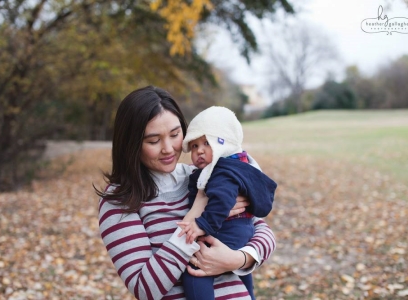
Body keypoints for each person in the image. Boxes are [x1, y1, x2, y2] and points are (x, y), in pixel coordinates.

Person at [97, 86, 276, 300]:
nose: (169, 148)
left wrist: (238, 259)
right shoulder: (120, 200)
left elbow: (262, 230)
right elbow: (145, 289)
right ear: (131, 144)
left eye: (175, 135)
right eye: (153, 141)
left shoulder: (204, 174)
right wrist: (194, 217)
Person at [177, 106, 277, 300]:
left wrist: (200, 225)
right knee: (241, 274)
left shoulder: (221, 172)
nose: (199, 151)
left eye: (206, 143)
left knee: (194, 274)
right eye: (195, 146)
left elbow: (222, 201)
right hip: (241, 232)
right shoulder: (240, 165)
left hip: (227, 231)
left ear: (223, 143)